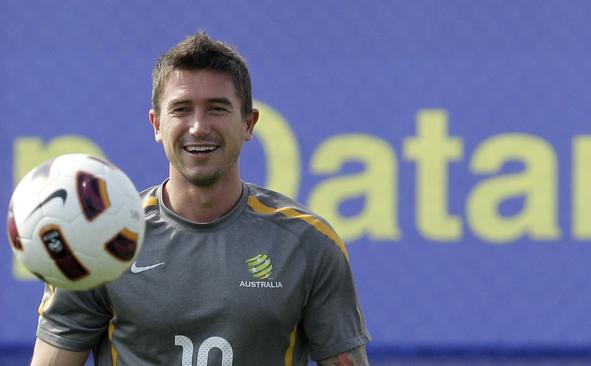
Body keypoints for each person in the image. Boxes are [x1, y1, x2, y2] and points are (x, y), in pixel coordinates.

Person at [30, 32, 371, 365]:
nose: (198, 127)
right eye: (181, 109)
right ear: (157, 125)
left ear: (249, 124)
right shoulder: (98, 243)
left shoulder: (309, 243)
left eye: (217, 108)